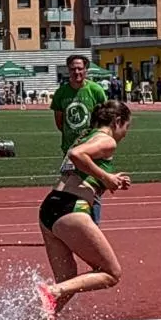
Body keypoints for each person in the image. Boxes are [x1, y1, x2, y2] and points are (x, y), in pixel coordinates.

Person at [34, 100, 133, 320]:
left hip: (51, 207)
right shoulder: (106, 140)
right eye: (127, 127)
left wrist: (110, 178)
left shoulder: (85, 136)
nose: (125, 134)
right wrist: (107, 179)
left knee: (67, 281)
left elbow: (78, 167)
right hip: (71, 209)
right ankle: (51, 293)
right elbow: (76, 155)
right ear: (117, 122)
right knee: (110, 273)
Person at [50, 54, 107, 222]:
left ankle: (93, 225)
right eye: (73, 69)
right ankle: (73, 223)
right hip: (70, 151)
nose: (76, 72)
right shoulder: (62, 93)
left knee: (92, 188)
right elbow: (59, 122)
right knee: (70, 189)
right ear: (68, 71)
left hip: (93, 149)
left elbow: (104, 117)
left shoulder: (95, 90)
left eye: (80, 68)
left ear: (86, 70)